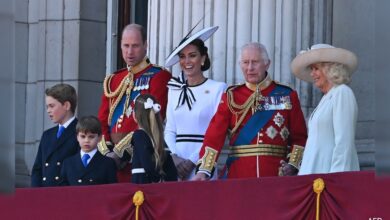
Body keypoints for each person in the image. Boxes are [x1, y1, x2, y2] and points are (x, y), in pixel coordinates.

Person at [193, 42, 308, 180]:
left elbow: (300, 137)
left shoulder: (286, 95)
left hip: (276, 176)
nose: (250, 68)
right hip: (239, 175)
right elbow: (214, 135)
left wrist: (293, 165)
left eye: (255, 62)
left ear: (267, 64)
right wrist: (204, 170)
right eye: (245, 62)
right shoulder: (232, 96)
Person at [97, 24, 171, 182]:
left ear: (145, 45)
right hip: (111, 162)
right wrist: (108, 151)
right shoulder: (113, 80)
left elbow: (152, 119)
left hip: (140, 156)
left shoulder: (158, 76)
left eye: (135, 46)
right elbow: (102, 121)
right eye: (126, 46)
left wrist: (121, 153)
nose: (129, 52)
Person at [164, 26, 227, 180]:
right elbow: (170, 129)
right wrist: (175, 157)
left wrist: (191, 161)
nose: (187, 61)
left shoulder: (217, 89)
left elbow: (217, 132)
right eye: (182, 56)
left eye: (192, 55)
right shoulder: (174, 89)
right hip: (176, 164)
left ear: (203, 58)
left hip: (204, 162)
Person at [291, 43, 360, 175]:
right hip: (315, 174)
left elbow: (344, 143)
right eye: (311, 69)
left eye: (316, 68)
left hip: (329, 177)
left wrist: (337, 179)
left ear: (330, 69)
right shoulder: (326, 98)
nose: (312, 74)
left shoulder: (342, 93)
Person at [120, 94, 177, 184]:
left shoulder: (139, 135)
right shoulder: (160, 138)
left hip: (143, 187)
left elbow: (146, 163)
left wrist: (157, 180)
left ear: (136, 115)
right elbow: (172, 172)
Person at [31, 84, 79, 187]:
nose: (48, 111)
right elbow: (37, 169)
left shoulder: (81, 132)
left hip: (66, 194)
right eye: (47, 107)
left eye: (52, 106)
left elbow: (79, 171)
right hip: (44, 195)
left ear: (66, 105)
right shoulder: (47, 135)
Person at [60, 116, 117, 186]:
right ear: (77, 137)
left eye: (91, 137)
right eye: (83, 136)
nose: (86, 141)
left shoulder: (108, 163)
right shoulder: (67, 163)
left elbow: (112, 191)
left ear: (99, 138)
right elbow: (63, 191)